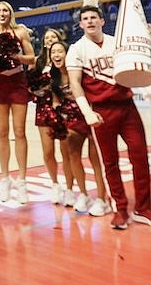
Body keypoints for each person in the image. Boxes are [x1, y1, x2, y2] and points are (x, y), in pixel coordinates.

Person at [67, 5, 151, 229]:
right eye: (85, 18)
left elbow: (134, 68)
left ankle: (144, 207)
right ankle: (120, 209)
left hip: (127, 106)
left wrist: (145, 88)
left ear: (102, 21)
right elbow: (74, 83)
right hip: (101, 112)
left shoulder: (117, 42)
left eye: (94, 17)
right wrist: (87, 112)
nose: (90, 21)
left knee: (141, 156)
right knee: (110, 162)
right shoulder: (76, 49)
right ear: (81, 24)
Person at [0, 1, 35, 204]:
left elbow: (32, 59)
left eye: (6, 10)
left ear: (10, 13)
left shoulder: (20, 32)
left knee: (19, 132)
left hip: (17, 81)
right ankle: (5, 179)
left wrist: (15, 56)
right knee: (2, 133)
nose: (2, 13)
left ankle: (22, 180)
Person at [48, 41, 111, 216]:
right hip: (73, 120)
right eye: (54, 52)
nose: (57, 55)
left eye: (60, 51)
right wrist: (57, 116)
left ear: (67, 54)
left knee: (95, 159)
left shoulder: (77, 71)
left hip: (90, 114)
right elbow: (55, 102)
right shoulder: (54, 78)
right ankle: (84, 194)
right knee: (73, 155)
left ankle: (102, 198)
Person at [27, 28, 76, 207]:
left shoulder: (66, 59)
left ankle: (70, 189)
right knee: (48, 151)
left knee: (67, 152)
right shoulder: (37, 62)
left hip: (63, 108)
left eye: (53, 37)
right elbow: (29, 85)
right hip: (43, 109)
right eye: (47, 37)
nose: (50, 40)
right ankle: (55, 184)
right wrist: (36, 90)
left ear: (59, 40)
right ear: (44, 41)